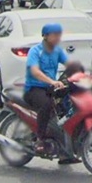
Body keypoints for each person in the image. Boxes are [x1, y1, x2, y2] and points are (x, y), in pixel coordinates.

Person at [23, 23, 72, 155]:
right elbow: (35, 71)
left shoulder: (57, 51)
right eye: (54, 35)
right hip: (34, 89)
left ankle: (64, 152)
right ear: (45, 36)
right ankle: (40, 139)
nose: (57, 38)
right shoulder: (35, 51)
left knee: (66, 109)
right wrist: (52, 82)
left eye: (59, 35)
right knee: (47, 105)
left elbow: (70, 64)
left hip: (50, 88)